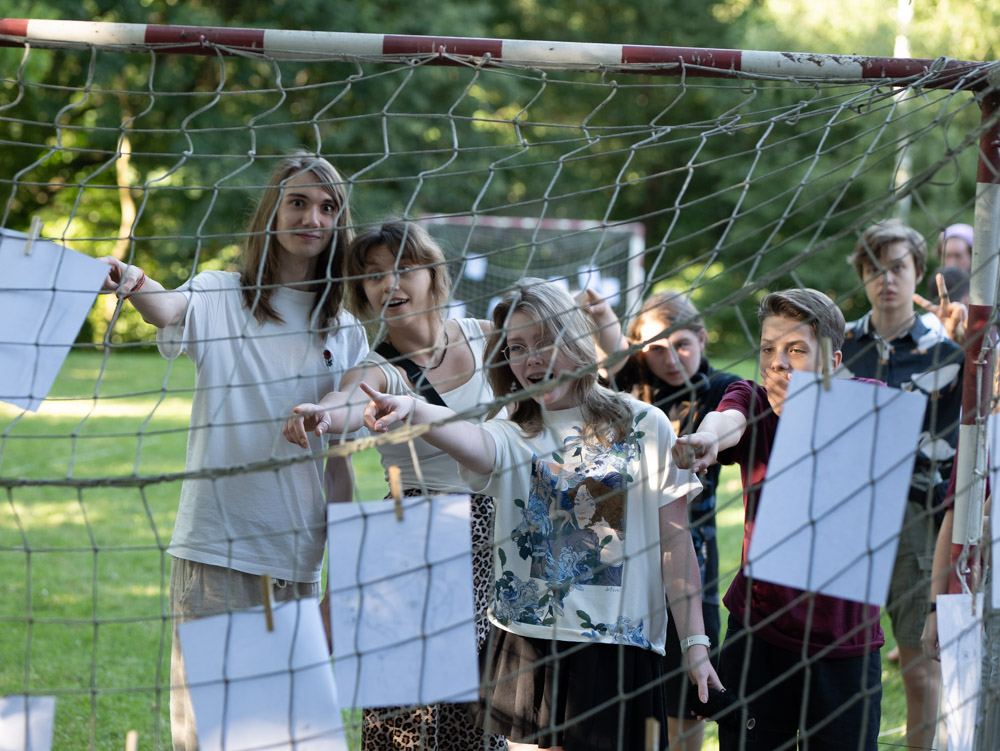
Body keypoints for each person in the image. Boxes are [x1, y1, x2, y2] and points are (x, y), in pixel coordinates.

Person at [361, 278, 722, 751]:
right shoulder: (510, 432)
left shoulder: (643, 425)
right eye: (517, 347)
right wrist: (412, 409)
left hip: (617, 648)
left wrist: (695, 644)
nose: (532, 358)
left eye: (545, 341)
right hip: (528, 647)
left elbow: (675, 543)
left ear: (576, 338)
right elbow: (467, 439)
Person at [98, 152, 369, 751]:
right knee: (211, 737)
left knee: (287, 738)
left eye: (328, 207)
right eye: (298, 202)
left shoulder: (346, 330)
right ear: (272, 210)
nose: (313, 218)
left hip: (298, 561)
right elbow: (168, 308)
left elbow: (340, 465)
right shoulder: (221, 294)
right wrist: (132, 280)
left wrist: (341, 573)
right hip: (217, 552)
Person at [282, 218, 506, 751]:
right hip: (414, 538)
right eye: (374, 275)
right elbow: (348, 402)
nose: (390, 284)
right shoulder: (379, 369)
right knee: (404, 724)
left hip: (504, 535)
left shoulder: (488, 337)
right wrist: (323, 414)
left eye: (404, 269)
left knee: (486, 716)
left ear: (433, 274)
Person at [673, 288, 884, 750]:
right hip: (760, 634)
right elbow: (727, 421)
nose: (777, 364)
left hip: (845, 642)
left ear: (832, 363)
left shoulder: (867, 403)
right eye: (768, 349)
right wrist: (707, 439)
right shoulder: (752, 400)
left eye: (796, 350)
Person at [840, 219, 963, 751]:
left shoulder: (948, 348)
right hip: (845, 515)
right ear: (862, 275)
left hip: (917, 516)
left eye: (897, 267)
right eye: (874, 268)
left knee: (919, 665)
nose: (886, 279)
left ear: (917, 272)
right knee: (838, 664)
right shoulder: (837, 344)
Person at [609, 290, 739, 750]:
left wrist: (705, 439)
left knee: (689, 696)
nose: (669, 358)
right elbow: (608, 351)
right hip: (625, 559)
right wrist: (602, 314)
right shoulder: (629, 386)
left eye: (681, 344)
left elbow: (731, 420)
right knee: (632, 695)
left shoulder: (718, 387)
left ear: (702, 338)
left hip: (690, 556)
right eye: (656, 348)